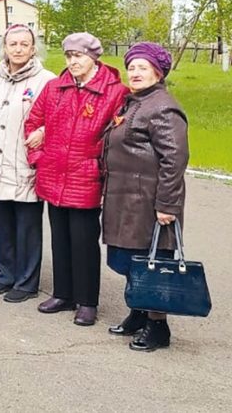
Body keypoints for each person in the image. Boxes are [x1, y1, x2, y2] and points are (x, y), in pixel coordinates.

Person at [25, 32, 127, 326]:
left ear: (93, 58)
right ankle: (63, 293)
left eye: (79, 56)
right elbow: (33, 122)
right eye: (69, 56)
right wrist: (38, 158)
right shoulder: (55, 87)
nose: (73, 62)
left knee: (84, 241)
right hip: (54, 172)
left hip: (86, 177)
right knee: (60, 238)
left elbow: (117, 135)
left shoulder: (114, 92)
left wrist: (100, 168)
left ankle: (87, 301)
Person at [102, 43, 189, 351]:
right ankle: (138, 313)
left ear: (158, 71)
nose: (135, 73)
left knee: (153, 261)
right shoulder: (135, 101)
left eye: (143, 67)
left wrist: (167, 205)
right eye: (132, 67)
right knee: (132, 260)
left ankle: (158, 326)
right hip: (126, 199)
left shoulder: (163, 107)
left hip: (149, 203)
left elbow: (175, 159)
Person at [0, 24, 55, 303]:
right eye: (13, 44)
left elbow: (57, 117)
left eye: (24, 44)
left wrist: (43, 132)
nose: (18, 49)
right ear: (4, 47)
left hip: (25, 161)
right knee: (2, 221)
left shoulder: (47, 80)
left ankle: (26, 281)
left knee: (27, 225)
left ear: (34, 49)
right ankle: (5, 274)